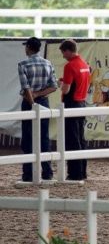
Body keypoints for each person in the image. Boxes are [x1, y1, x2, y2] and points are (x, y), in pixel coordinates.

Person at [17, 37, 58, 182]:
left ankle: (28, 174)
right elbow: (53, 86)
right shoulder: (48, 63)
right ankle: (47, 172)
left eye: (26, 46)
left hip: (29, 102)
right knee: (44, 137)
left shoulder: (23, 64)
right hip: (44, 102)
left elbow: (26, 87)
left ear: (28, 47)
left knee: (28, 138)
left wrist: (32, 101)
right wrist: (39, 95)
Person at [59, 39, 91, 180]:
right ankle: (82, 172)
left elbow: (66, 90)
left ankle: (74, 174)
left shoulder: (69, 66)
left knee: (72, 140)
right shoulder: (84, 64)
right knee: (80, 139)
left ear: (67, 50)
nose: (63, 56)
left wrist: (60, 83)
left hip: (71, 105)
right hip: (82, 103)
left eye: (63, 52)